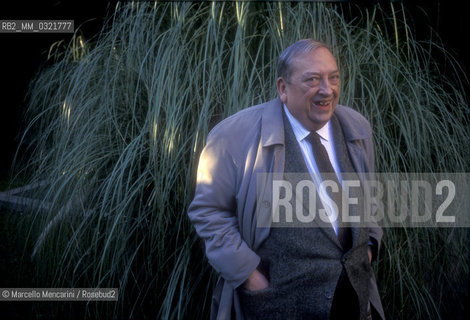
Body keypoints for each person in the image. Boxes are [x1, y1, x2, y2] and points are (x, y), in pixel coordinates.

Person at [188, 39, 384, 320]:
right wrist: (249, 275)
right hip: (277, 305)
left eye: (333, 77)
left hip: (352, 299)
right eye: (313, 80)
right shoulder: (233, 137)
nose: (327, 90)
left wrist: (368, 246)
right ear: (283, 88)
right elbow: (208, 212)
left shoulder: (357, 128)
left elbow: (369, 195)